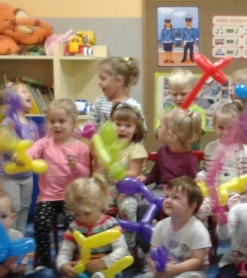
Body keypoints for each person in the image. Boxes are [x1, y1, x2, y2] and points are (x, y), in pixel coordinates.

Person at [91, 177, 212, 278]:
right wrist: (154, 266)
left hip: (191, 271)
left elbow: (197, 260)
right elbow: (153, 252)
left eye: (176, 198)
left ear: (192, 206)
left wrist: (175, 269)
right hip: (167, 268)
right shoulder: (161, 226)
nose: (168, 200)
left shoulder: (197, 229)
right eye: (167, 196)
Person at [37, 176, 130, 278]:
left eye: (86, 213)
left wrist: (104, 261)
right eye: (76, 214)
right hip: (83, 269)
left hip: (108, 272)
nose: (82, 218)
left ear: (99, 202)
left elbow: (122, 250)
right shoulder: (75, 226)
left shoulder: (110, 224)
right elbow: (65, 251)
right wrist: (63, 265)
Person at [20, 99, 91, 268]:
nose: (57, 125)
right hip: (48, 197)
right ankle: (44, 261)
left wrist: (76, 166)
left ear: (73, 123)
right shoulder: (44, 143)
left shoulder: (81, 148)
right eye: (52, 121)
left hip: (72, 197)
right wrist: (23, 158)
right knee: (41, 222)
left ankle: (70, 259)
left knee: (72, 223)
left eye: (62, 121)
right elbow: (31, 152)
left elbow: (87, 174)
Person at [196, 101, 247, 225]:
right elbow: (206, 170)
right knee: (200, 210)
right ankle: (203, 234)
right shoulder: (211, 147)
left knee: (239, 212)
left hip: (234, 193)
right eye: (221, 127)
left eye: (230, 128)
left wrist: (246, 184)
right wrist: (200, 176)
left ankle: (233, 234)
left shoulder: (244, 150)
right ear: (214, 126)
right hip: (212, 193)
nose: (225, 132)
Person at [99, 103, 148, 252]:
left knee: (128, 207)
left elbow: (133, 173)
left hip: (129, 189)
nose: (122, 129)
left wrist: (115, 170)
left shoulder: (136, 148)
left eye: (128, 126)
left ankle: (128, 247)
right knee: (94, 205)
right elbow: (100, 172)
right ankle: (101, 245)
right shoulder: (106, 148)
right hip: (108, 188)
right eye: (118, 124)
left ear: (136, 129)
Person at [0, 83, 40, 233]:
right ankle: (11, 234)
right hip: (9, 175)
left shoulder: (32, 125)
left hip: (27, 174)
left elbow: (36, 147)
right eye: (23, 92)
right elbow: (4, 143)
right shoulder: (8, 122)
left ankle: (20, 234)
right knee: (14, 206)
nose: (29, 94)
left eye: (28, 92)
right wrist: (15, 154)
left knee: (25, 205)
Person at [143, 108, 201, 188]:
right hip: (159, 190)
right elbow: (156, 173)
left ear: (169, 135)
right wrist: (145, 179)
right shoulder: (162, 151)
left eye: (160, 126)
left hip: (178, 193)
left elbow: (193, 186)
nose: (157, 129)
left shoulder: (190, 160)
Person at [157, 68, 206, 150]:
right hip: (171, 152)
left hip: (192, 152)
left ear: (193, 92)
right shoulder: (167, 111)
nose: (179, 98)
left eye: (183, 94)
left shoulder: (199, 111)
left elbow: (199, 133)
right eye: (175, 94)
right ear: (169, 93)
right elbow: (158, 132)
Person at [91, 56, 144, 130]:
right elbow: (92, 127)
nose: (99, 83)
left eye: (103, 79)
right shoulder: (99, 102)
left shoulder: (134, 107)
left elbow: (141, 131)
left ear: (119, 81)